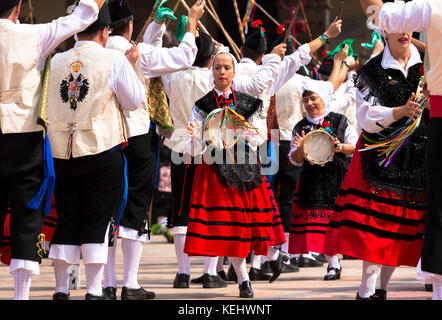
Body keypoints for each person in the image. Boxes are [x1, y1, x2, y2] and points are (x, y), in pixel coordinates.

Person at [163, 27, 287, 288]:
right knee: (224, 227)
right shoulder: (202, 104)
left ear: (234, 72)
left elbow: (258, 139)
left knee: (240, 227)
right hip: (213, 172)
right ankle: (242, 280)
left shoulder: (246, 102)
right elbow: (192, 150)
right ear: (212, 71)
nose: (222, 72)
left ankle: (243, 277)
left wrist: (246, 131)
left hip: (243, 171)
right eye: (218, 67)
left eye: (226, 67)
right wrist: (196, 136)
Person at [0, 0, 104, 300]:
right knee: (27, 214)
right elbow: (84, 16)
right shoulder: (35, 34)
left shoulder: (35, 33)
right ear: (18, 7)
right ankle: (21, 296)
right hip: (24, 134)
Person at [102, 0, 205, 300]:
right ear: (131, 24)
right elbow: (186, 55)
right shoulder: (141, 53)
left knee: (106, 209)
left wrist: (158, 26)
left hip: (104, 137)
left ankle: (106, 283)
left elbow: (151, 56)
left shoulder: (102, 51)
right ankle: (130, 283)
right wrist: (192, 24)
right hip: (136, 136)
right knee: (135, 206)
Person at [46, 4, 145, 300]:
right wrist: (130, 66)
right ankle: (93, 290)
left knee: (67, 218)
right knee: (98, 220)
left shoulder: (56, 60)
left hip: (62, 151)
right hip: (102, 148)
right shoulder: (113, 58)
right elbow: (133, 101)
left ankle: (61, 289)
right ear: (105, 31)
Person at [324, 23, 428, 299]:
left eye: (409, 28)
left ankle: (381, 290)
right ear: (386, 32)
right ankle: (365, 291)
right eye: (397, 28)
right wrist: (400, 111)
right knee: (374, 229)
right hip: (379, 157)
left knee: (400, 229)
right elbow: (365, 117)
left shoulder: (427, 65)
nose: (405, 34)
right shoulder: (370, 71)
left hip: (416, 158)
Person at [235, 18, 345, 281]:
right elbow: (303, 64)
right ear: (264, 55)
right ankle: (268, 257)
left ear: (240, 53)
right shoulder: (269, 76)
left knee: (245, 204)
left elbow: (297, 59)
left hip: (259, 143)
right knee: (270, 202)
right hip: (274, 143)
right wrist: (328, 39)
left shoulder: (231, 72)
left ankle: (238, 264)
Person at [360, 0, 442, 302]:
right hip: (396, 156)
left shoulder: (433, 10)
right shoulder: (372, 69)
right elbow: (366, 116)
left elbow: (378, 14)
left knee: (438, 211)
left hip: (438, 131)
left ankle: (438, 290)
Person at [288, 48, 358, 281]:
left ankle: (334, 264)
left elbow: (356, 146)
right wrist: (300, 149)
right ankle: (332, 264)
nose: (309, 103)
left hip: (336, 177)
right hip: (312, 181)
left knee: (334, 223)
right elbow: (294, 160)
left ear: (323, 99)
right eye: (306, 99)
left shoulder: (339, 120)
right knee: (320, 226)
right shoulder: (300, 127)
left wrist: (340, 147)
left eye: (313, 98)